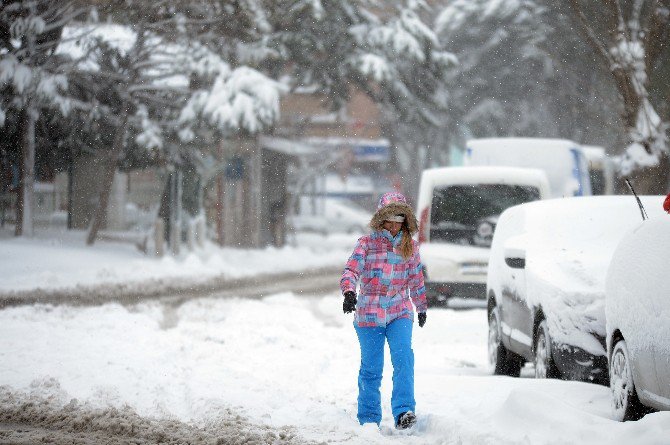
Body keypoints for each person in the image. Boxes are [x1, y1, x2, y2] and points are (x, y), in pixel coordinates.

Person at [340, 191, 427, 430]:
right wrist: (349, 291)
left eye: (399, 218)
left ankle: (404, 411)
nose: (394, 223)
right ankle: (369, 418)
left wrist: (421, 307)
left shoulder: (411, 247)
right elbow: (351, 270)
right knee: (371, 367)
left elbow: (416, 279)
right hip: (369, 314)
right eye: (390, 217)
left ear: (405, 220)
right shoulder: (366, 244)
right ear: (381, 219)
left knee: (403, 359)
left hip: (399, 311)